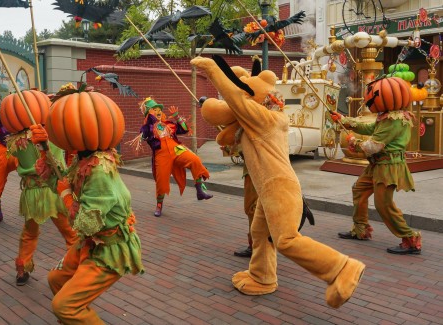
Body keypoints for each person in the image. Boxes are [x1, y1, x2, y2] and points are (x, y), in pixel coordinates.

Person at [192, 55, 365, 309]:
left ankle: (343, 267)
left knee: (286, 239)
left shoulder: (266, 118)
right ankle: (262, 277)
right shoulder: (258, 123)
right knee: (260, 233)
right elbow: (231, 135)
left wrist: (212, 69)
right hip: (268, 189)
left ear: (260, 98)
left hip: (279, 187)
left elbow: (236, 100)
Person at [31, 124, 144, 324]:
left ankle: (74, 313)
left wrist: (65, 194)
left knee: (64, 306)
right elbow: (61, 179)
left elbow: (86, 222)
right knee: (56, 279)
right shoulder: (85, 159)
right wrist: (44, 149)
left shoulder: (98, 168)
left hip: (110, 248)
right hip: (90, 242)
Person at [330, 95, 421, 254]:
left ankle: (410, 239)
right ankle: (360, 230)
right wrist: (344, 120)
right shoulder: (386, 117)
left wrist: (353, 142)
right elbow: (368, 128)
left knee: (383, 204)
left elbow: (373, 146)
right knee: (359, 190)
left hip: (388, 167)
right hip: (377, 164)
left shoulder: (395, 120)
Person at [5, 123, 76, 285]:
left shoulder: (16, 140)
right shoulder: (54, 134)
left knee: (29, 232)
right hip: (53, 190)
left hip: (31, 192)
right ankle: (75, 266)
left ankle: (22, 268)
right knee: (69, 231)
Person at [139, 97, 213, 217]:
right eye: (154, 110)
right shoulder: (148, 127)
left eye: (159, 109)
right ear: (149, 114)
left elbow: (184, 129)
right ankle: (159, 205)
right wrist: (147, 126)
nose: (158, 111)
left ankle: (200, 191)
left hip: (176, 149)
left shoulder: (169, 124)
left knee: (195, 160)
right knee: (161, 180)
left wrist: (177, 117)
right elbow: (143, 134)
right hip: (161, 155)